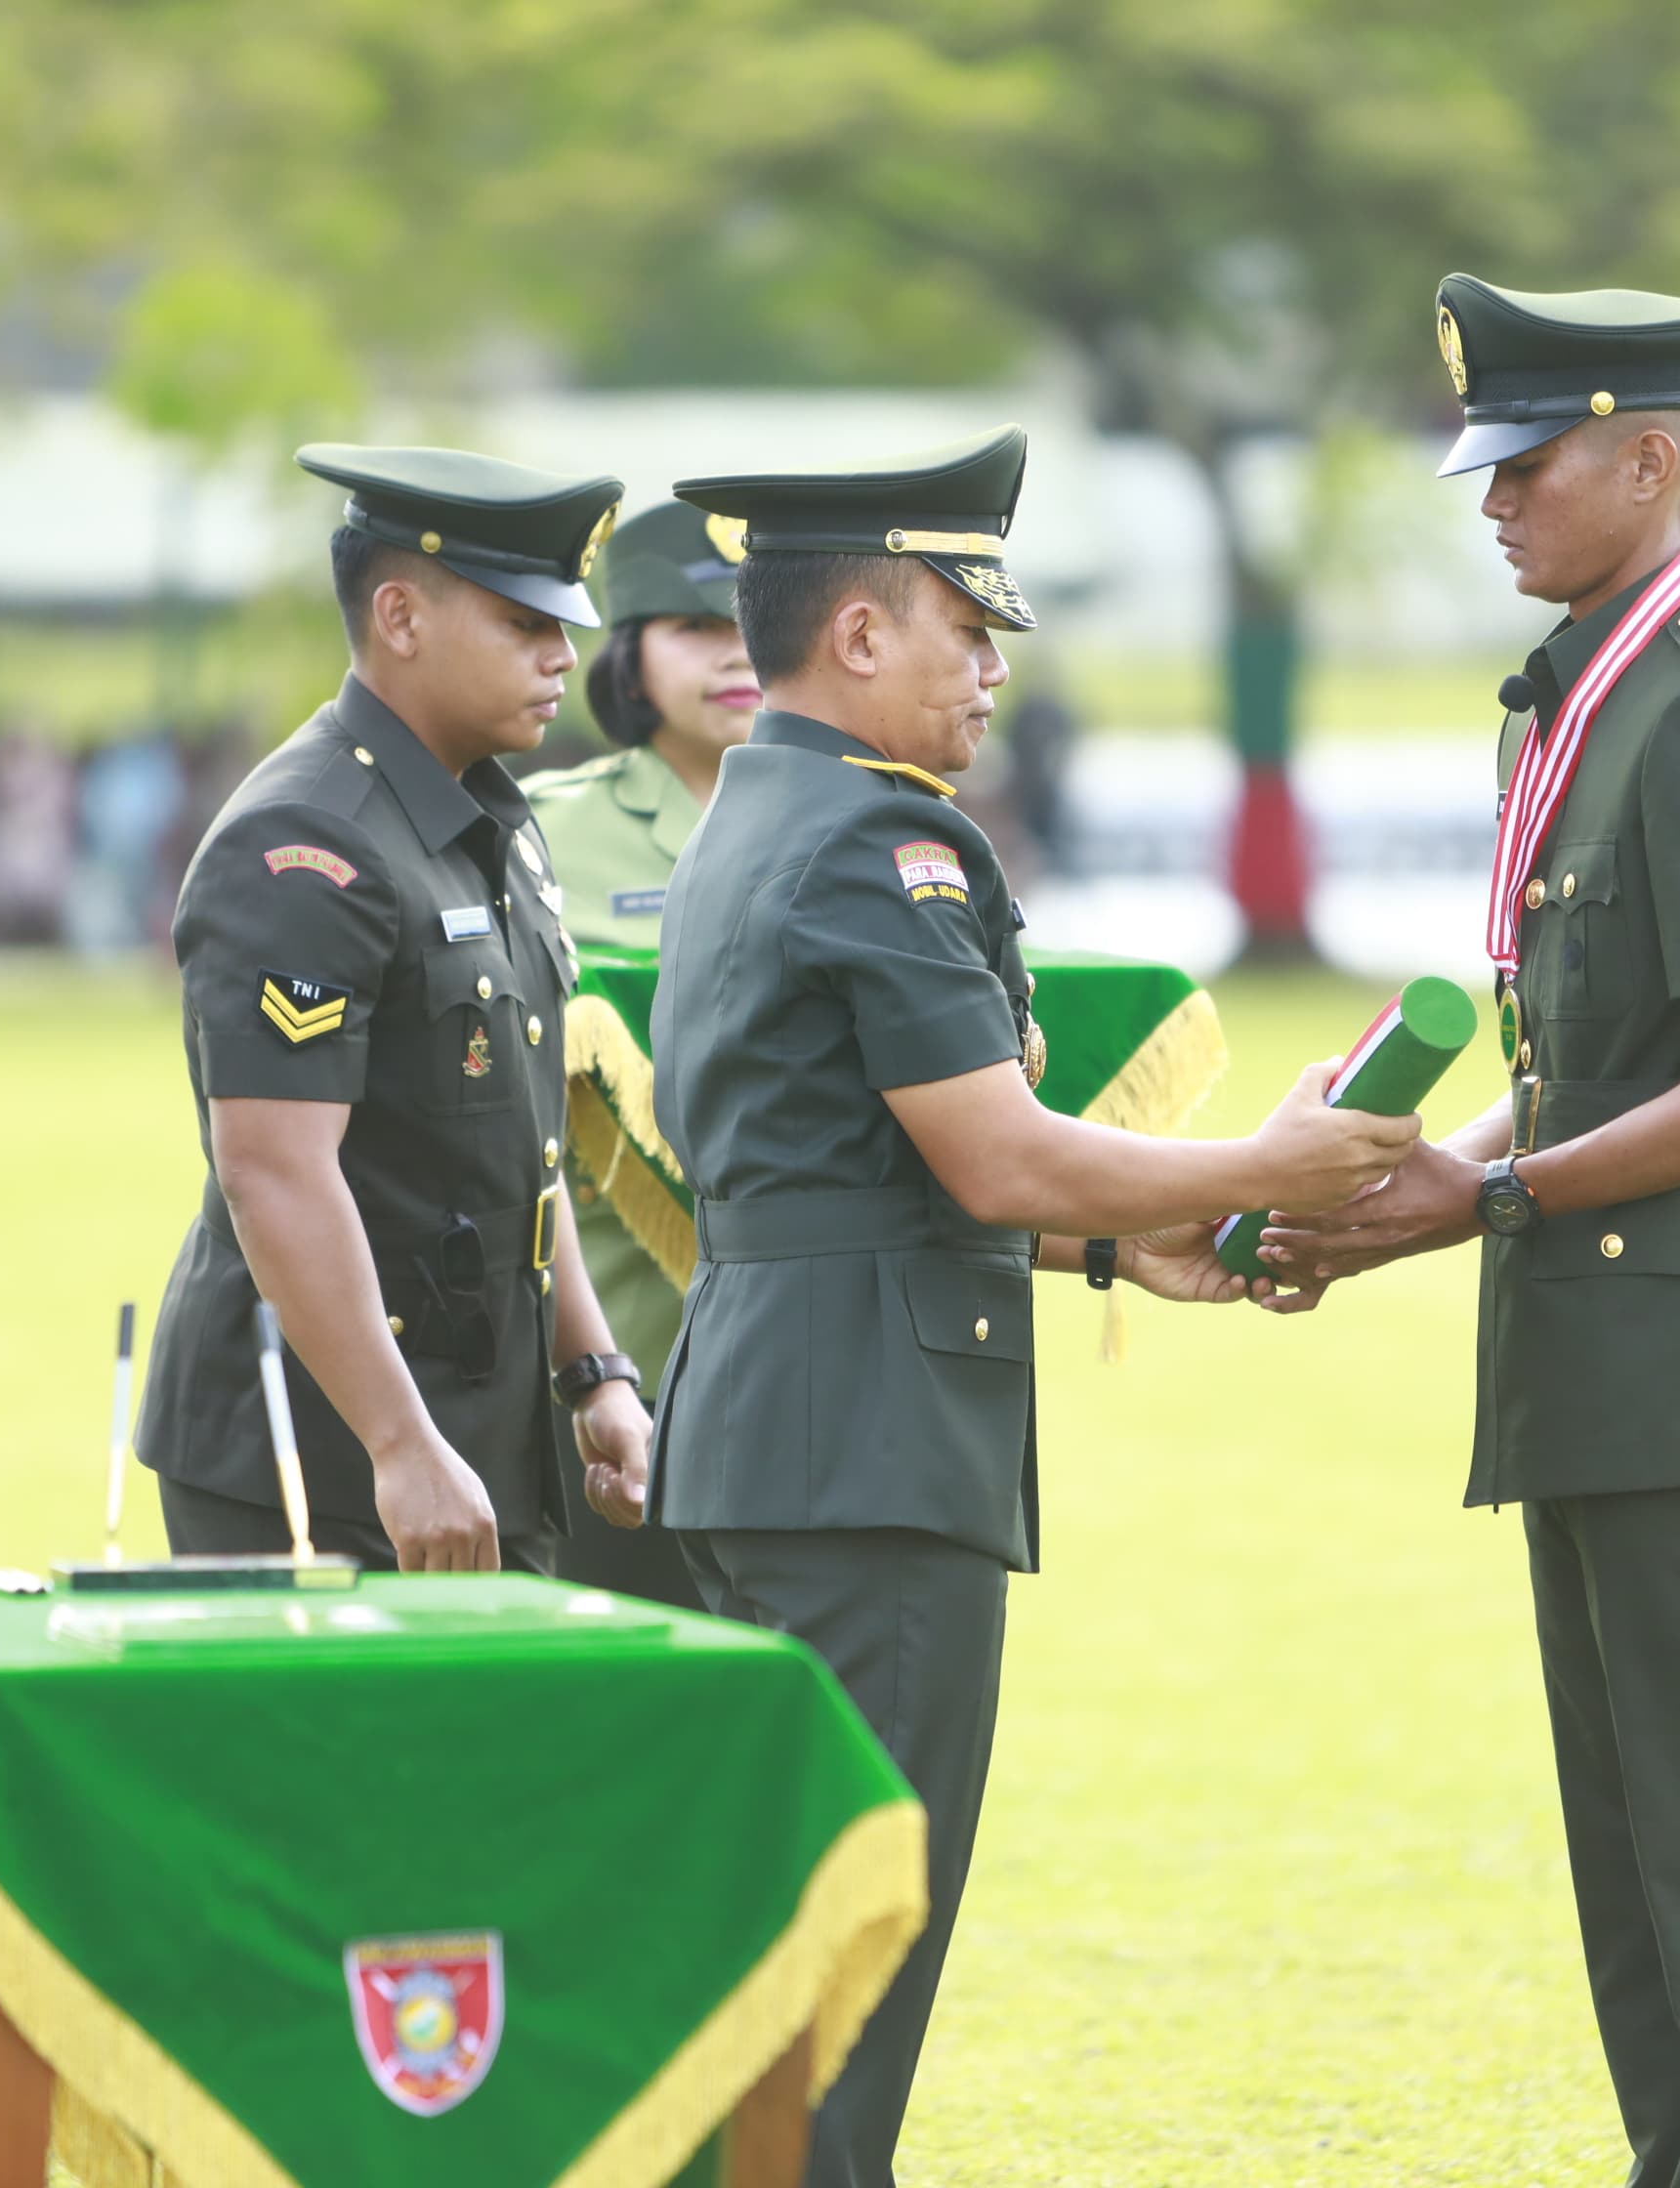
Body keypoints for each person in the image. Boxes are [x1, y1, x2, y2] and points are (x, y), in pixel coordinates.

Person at [649, 424, 1419, 2188]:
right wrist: (1265, 1166)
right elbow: (995, 1155)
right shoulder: (879, 849)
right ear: (855, 637)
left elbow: (861, 1166)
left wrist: (1115, 1245)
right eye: (962, 628)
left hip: (774, 1426)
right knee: (849, 1957)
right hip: (866, 1454)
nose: (993, 668)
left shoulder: (755, 812)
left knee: (773, 1949)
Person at [1260, 278, 1680, 2188]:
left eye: (1525, 465)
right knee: (1639, 1882)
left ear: (1646, 458)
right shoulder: (1586, 698)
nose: (1491, 501)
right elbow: (1583, 1056)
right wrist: (1403, 1205)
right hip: (1602, 1364)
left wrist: (1493, 1194)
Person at [134, 443, 654, 1576]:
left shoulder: (485, 828)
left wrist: (594, 1368)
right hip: (315, 1455)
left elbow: (524, 1147)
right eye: (524, 621)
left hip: (467, 1433)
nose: (563, 654)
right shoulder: (305, 846)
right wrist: (399, 1439)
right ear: (402, 617)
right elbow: (274, 1168)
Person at [524, 499, 760, 1609]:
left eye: (759, 623)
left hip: (798, 1342)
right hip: (614, 1327)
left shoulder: (860, 817)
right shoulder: (543, 828)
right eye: (694, 627)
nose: (738, 655)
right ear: (627, 653)